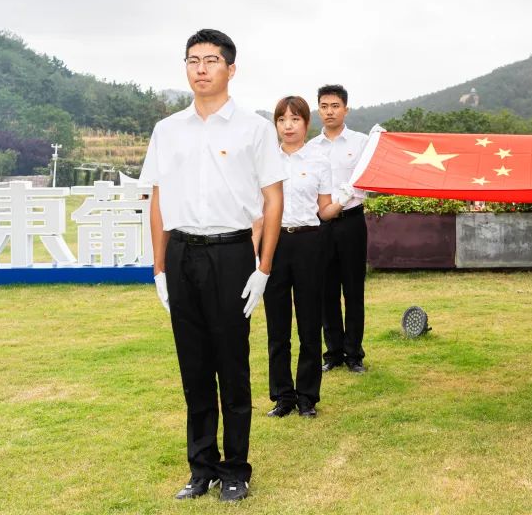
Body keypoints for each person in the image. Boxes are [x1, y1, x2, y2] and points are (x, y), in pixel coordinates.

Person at [141, 29, 285, 502]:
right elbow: (158, 198)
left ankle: (235, 469)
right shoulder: (168, 130)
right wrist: (159, 268)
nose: (201, 69)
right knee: (194, 367)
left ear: (231, 68)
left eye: (211, 60)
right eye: (193, 60)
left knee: (231, 364)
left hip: (230, 252)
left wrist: (263, 268)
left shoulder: (254, 129)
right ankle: (200, 468)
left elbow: (273, 199)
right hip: (182, 252)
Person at [261, 96, 355, 419]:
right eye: (282, 120)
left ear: (305, 123)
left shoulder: (318, 161)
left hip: (310, 244)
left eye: (295, 119)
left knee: (310, 323)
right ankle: (282, 396)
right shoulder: (265, 161)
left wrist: (344, 198)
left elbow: (324, 210)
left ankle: (307, 398)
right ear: (276, 124)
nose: (288, 126)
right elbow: (258, 210)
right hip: (274, 244)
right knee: (277, 326)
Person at [307, 84, 371, 373]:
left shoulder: (361, 142)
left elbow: (371, 175)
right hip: (321, 224)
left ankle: (354, 353)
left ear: (346, 109)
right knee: (326, 290)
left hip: (352, 221)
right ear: (318, 109)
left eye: (335, 106)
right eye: (324, 106)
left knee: (353, 289)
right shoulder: (311, 148)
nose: (329, 111)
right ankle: (332, 352)